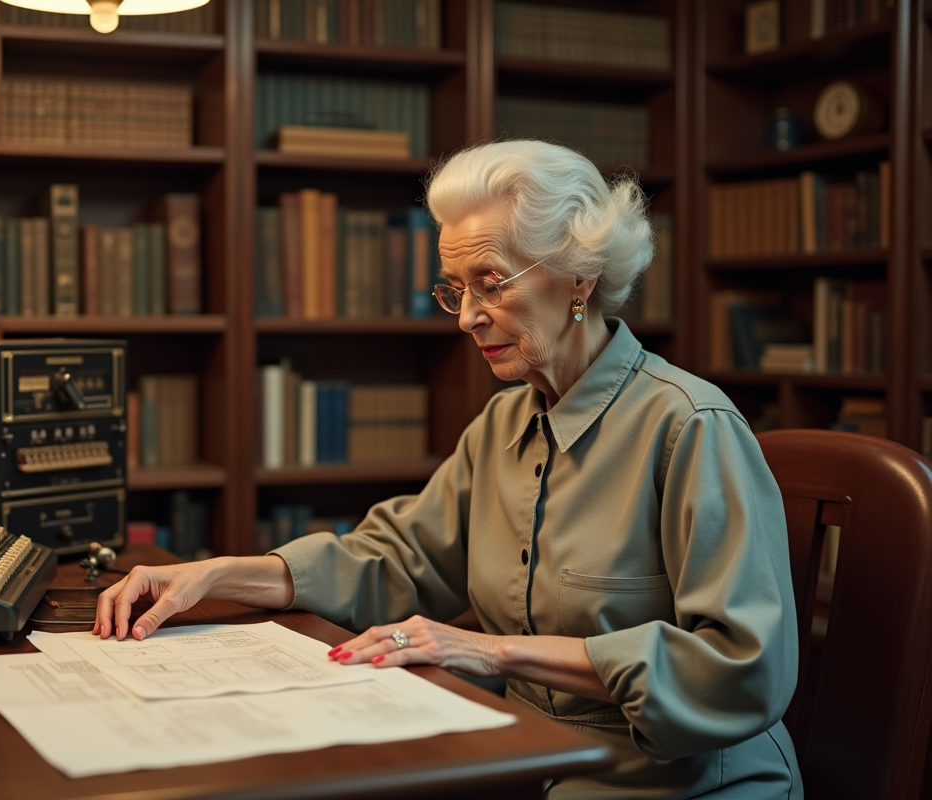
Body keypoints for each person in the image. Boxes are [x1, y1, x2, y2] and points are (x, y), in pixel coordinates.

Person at [93, 140, 802, 798]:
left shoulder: (690, 425)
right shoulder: (503, 424)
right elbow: (389, 562)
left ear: (579, 278)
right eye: (454, 288)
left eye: (490, 283)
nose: (466, 317)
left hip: (682, 783)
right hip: (526, 758)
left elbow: (741, 670)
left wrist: (496, 653)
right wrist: (213, 574)